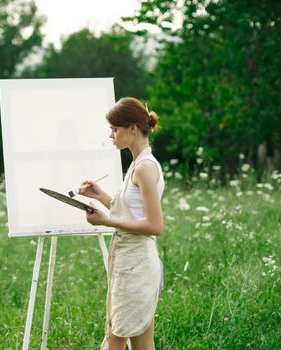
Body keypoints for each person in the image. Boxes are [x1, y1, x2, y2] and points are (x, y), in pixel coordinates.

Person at [79, 97, 164, 350]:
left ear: (132, 128)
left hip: (137, 264)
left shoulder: (145, 168)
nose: (111, 135)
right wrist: (100, 196)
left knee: (114, 340)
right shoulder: (138, 164)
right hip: (130, 262)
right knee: (142, 344)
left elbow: (154, 226)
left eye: (114, 129)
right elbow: (132, 214)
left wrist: (105, 221)